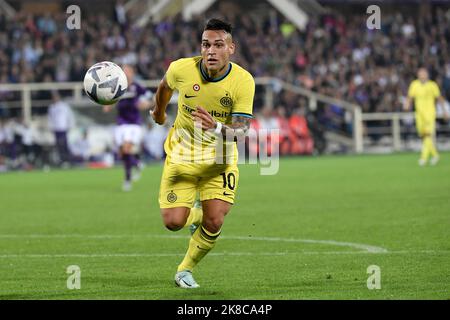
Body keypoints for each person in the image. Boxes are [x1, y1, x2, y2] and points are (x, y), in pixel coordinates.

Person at [151, 18, 255, 288]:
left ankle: (184, 270)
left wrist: (217, 126)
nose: (211, 51)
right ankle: (192, 215)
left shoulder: (243, 81)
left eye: (218, 45)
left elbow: (242, 130)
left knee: (215, 218)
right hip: (182, 156)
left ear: (231, 48)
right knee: (174, 222)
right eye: (206, 44)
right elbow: (164, 88)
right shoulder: (181, 68)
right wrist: (159, 112)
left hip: (219, 160)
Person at [104, 64, 154, 191]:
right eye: (123, 71)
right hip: (121, 123)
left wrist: (146, 104)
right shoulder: (117, 88)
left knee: (126, 150)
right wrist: (108, 106)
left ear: (132, 73)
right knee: (122, 154)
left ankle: (128, 179)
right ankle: (136, 165)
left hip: (133, 124)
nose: (125, 73)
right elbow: (111, 102)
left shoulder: (137, 87)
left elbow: (152, 98)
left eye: (127, 71)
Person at [403, 68, 449, 166]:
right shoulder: (414, 84)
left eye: (424, 73)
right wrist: (407, 104)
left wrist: (444, 111)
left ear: (427, 75)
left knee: (427, 135)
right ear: (418, 75)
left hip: (430, 114)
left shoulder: (432, 85)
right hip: (419, 115)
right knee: (423, 136)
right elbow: (410, 97)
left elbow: (439, 98)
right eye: (420, 73)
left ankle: (423, 158)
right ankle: (435, 155)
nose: (422, 75)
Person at [47, 91, 75, 166]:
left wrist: (70, 125)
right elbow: (50, 118)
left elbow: (70, 116)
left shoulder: (64, 106)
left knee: (64, 144)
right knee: (58, 145)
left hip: (63, 128)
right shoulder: (51, 107)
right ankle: (61, 160)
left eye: (56, 97)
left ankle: (67, 160)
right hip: (56, 129)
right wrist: (50, 127)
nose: (55, 99)